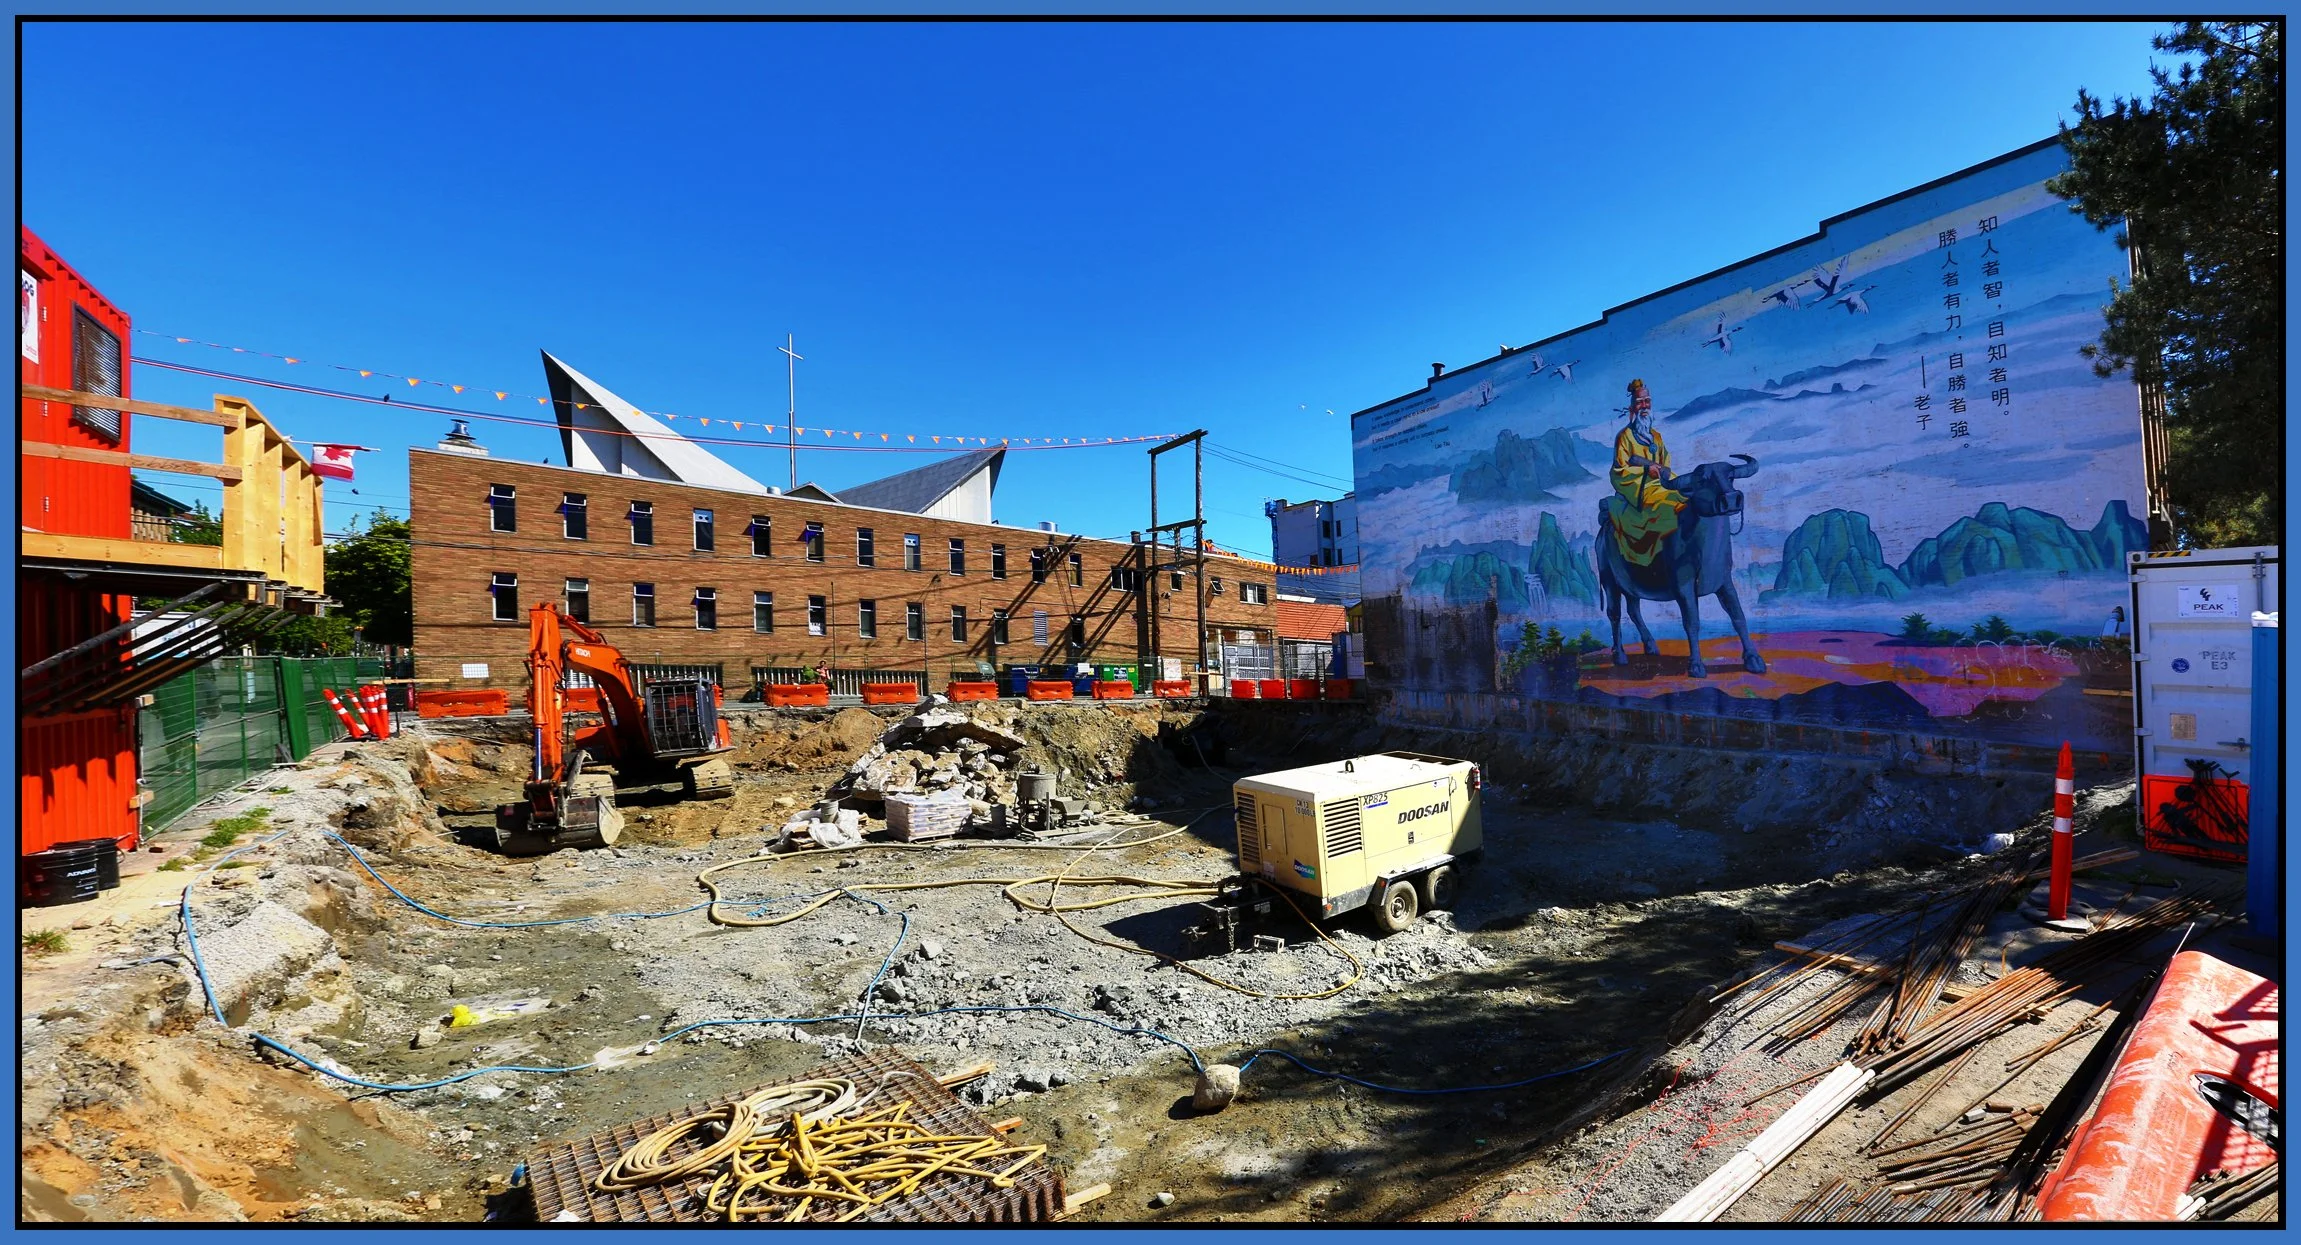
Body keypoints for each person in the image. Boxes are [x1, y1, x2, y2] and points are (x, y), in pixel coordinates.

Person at [1606, 379, 1687, 567]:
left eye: (1647, 401)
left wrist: (1664, 475)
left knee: (1685, 499)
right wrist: (1645, 470)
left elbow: (1665, 462)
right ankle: (1661, 562)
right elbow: (1620, 471)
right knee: (1666, 508)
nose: (1644, 406)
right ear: (1633, 407)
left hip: (1662, 485)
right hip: (1641, 490)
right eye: (1640, 402)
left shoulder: (1656, 436)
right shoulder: (1624, 437)